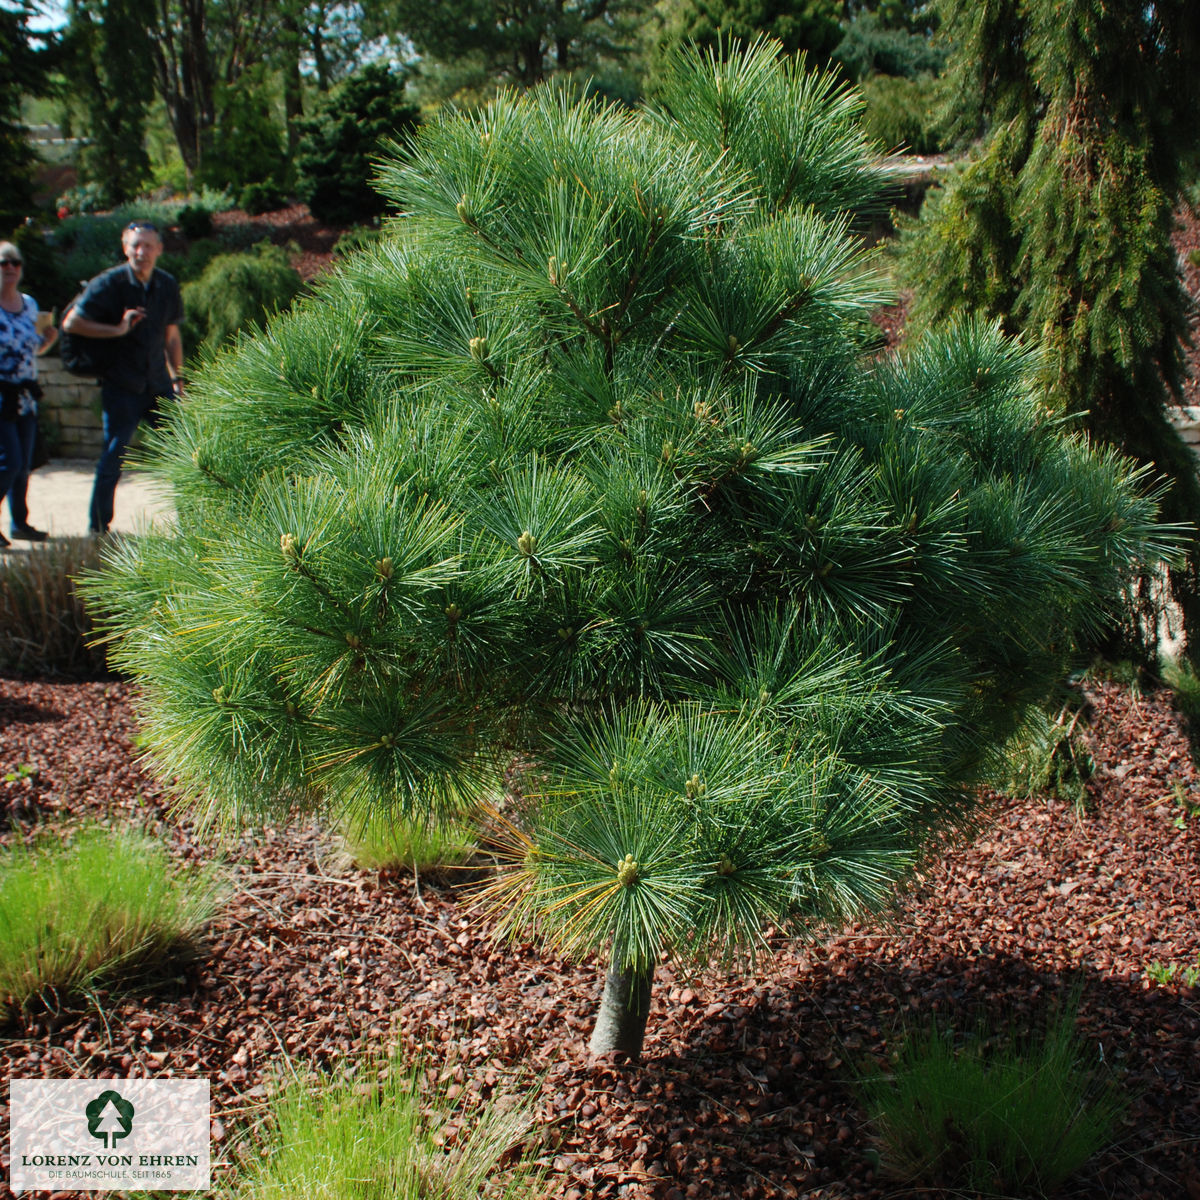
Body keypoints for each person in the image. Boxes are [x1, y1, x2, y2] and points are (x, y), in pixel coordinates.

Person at [62, 221, 184, 535]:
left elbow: (171, 336)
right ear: (125, 247)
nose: (141, 252)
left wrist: (178, 378)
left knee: (185, 454)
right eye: (135, 245)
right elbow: (72, 323)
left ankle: (194, 524)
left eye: (147, 245)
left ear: (159, 249)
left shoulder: (167, 285)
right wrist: (117, 329)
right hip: (122, 385)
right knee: (113, 455)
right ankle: (98, 527)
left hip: (157, 384)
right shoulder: (109, 284)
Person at [0, 240, 58, 549]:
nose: (9, 268)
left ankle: (20, 523)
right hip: (0, 397)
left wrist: (48, 340)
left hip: (25, 396)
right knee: (8, 462)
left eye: (14, 262)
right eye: (3, 263)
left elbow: (31, 351)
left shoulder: (30, 304)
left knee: (23, 466)